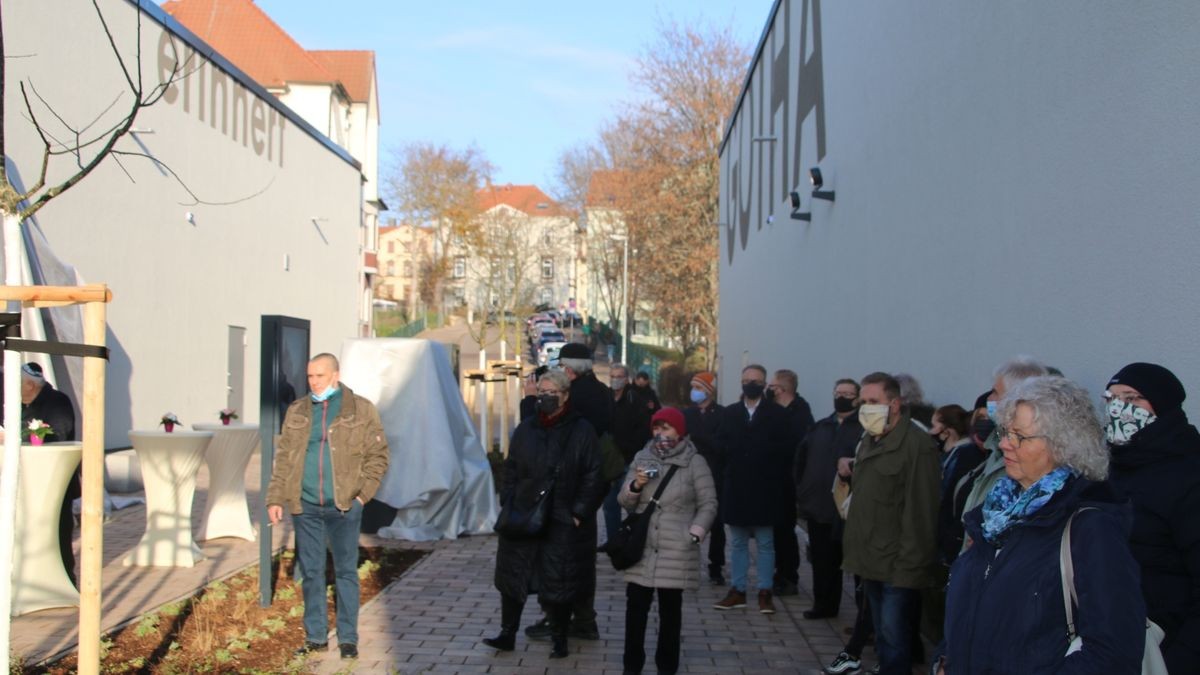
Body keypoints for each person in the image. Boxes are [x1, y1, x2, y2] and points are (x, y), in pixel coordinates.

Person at [936, 376, 1146, 673]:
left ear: (1063, 445)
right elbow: (972, 601)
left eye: (1019, 436)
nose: (1005, 444)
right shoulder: (996, 514)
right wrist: (945, 658)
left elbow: (1113, 651)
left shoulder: (1090, 527)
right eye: (1005, 432)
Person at [266, 353, 390, 660]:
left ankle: (348, 638)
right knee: (312, 573)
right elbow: (283, 459)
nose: (313, 382)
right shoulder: (298, 410)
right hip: (305, 506)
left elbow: (379, 456)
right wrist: (275, 498)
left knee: (346, 572)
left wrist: (362, 496)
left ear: (335, 375)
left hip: (344, 506)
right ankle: (316, 637)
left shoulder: (360, 409)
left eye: (319, 376)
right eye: (309, 377)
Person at [485, 370, 604, 659]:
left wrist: (578, 513)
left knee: (558, 580)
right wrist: (508, 499)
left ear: (565, 396)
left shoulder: (581, 430)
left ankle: (560, 637)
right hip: (523, 514)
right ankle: (507, 632)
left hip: (562, 518)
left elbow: (593, 475)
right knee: (513, 575)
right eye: (542, 392)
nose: (546, 397)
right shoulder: (526, 429)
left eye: (552, 392)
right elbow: (511, 468)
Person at [839, 372, 940, 675]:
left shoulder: (917, 445)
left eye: (873, 402)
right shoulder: (871, 439)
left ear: (894, 404)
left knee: (895, 636)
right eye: (863, 402)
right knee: (883, 636)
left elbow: (921, 512)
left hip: (898, 563)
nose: (865, 408)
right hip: (871, 558)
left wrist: (910, 566)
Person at [1104, 362, 1200, 673]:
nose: (1119, 408)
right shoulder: (1106, 471)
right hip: (1115, 647)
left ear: (1162, 406)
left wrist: (1174, 663)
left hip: (1165, 651)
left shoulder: (1189, 474)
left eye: (1131, 399)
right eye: (1111, 399)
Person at [519, 342, 613, 641]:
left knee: (555, 558)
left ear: (569, 372)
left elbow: (537, 437)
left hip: (564, 490)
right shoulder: (602, 392)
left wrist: (529, 401)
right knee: (580, 560)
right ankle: (584, 619)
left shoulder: (576, 402)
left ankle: (554, 616)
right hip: (587, 492)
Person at [618, 407, 717, 675]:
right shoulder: (642, 456)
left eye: (666, 428)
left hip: (677, 547)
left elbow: (709, 503)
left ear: (680, 431)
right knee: (635, 612)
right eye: (656, 428)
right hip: (643, 546)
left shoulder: (695, 462)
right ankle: (631, 666)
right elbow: (624, 502)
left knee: (670, 615)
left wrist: (695, 532)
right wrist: (635, 486)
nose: (660, 433)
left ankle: (667, 667)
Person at [713, 364, 790, 614]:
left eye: (756, 380)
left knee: (766, 543)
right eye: (746, 379)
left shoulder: (777, 414)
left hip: (765, 489)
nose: (750, 384)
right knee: (737, 543)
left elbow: (785, 451)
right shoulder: (730, 413)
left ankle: (765, 591)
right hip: (736, 486)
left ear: (764, 383)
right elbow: (720, 445)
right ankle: (738, 590)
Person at [796, 378, 862, 620]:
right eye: (838, 392)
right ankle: (824, 604)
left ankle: (864, 618)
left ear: (857, 398)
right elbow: (801, 459)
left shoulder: (863, 428)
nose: (841, 397)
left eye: (848, 393)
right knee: (823, 561)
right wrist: (802, 490)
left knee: (856, 566)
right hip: (819, 506)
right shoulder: (821, 427)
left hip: (849, 510)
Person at [957, 357, 1049, 520]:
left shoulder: (1025, 459)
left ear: (1017, 398)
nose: (989, 399)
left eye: (995, 392)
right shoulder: (995, 446)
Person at [20, 363, 79, 588]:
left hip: (56, 480)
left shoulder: (57, 402)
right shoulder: (23, 404)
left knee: (59, 532)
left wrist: (24, 436)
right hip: (29, 480)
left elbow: (59, 435)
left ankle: (65, 582)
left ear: (29, 384)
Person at [767, 368, 814, 596]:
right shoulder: (775, 410)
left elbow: (796, 449)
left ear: (782, 390)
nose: (769, 389)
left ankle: (788, 576)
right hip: (774, 478)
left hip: (789, 481)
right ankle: (779, 572)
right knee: (776, 529)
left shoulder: (800, 414)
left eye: (772, 386)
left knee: (785, 529)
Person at [602, 363, 653, 550]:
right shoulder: (605, 397)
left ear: (626, 378)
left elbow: (643, 430)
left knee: (632, 504)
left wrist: (632, 450)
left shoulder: (634, 399)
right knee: (610, 504)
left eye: (619, 376)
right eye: (612, 376)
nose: (615, 379)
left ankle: (634, 540)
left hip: (629, 459)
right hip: (609, 462)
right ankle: (613, 542)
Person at [683, 371, 727, 585]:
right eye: (693, 387)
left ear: (709, 391)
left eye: (699, 388)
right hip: (688, 474)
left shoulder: (722, 415)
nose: (694, 391)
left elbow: (721, 445)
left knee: (716, 523)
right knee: (686, 520)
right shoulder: (687, 414)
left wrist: (699, 439)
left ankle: (716, 566)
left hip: (714, 474)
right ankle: (685, 561)